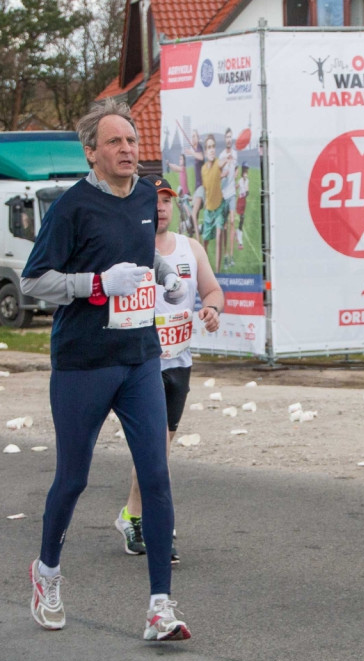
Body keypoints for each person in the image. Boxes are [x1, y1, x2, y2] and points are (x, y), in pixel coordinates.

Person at [19, 100, 191, 641]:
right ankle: (47, 572)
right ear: (91, 152)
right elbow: (33, 281)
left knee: (157, 476)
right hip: (83, 362)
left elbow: (140, 251)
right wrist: (95, 285)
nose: (127, 151)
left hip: (140, 357)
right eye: (115, 143)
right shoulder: (72, 208)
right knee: (74, 478)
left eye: (132, 141)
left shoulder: (145, 194)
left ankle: (160, 608)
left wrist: (164, 274)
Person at [115, 175, 225, 564]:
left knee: (158, 450)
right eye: (154, 201)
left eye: (167, 201)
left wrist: (212, 308)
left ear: (174, 206)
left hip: (179, 363)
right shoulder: (130, 247)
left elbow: (213, 289)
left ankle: (132, 515)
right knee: (156, 453)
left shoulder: (191, 248)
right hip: (141, 364)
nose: (160, 207)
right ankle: (160, 528)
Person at [199, 135, 228, 271]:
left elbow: (222, 163)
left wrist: (228, 159)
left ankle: (217, 271)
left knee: (218, 238)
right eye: (209, 147)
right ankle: (206, 272)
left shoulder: (219, 163)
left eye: (213, 147)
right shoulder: (203, 169)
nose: (212, 150)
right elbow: (206, 187)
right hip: (208, 209)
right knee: (205, 241)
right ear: (205, 151)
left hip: (219, 208)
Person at [218, 128, 238, 269]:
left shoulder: (235, 154)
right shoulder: (222, 155)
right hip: (223, 195)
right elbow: (217, 175)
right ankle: (225, 256)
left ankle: (231, 256)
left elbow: (235, 169)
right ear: (225, 140)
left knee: (232, 222)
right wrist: (224, 174)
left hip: (232, 194)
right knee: (224, 226)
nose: (229, 139)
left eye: (230, 137)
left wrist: (234, 177)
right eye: (227, 137)